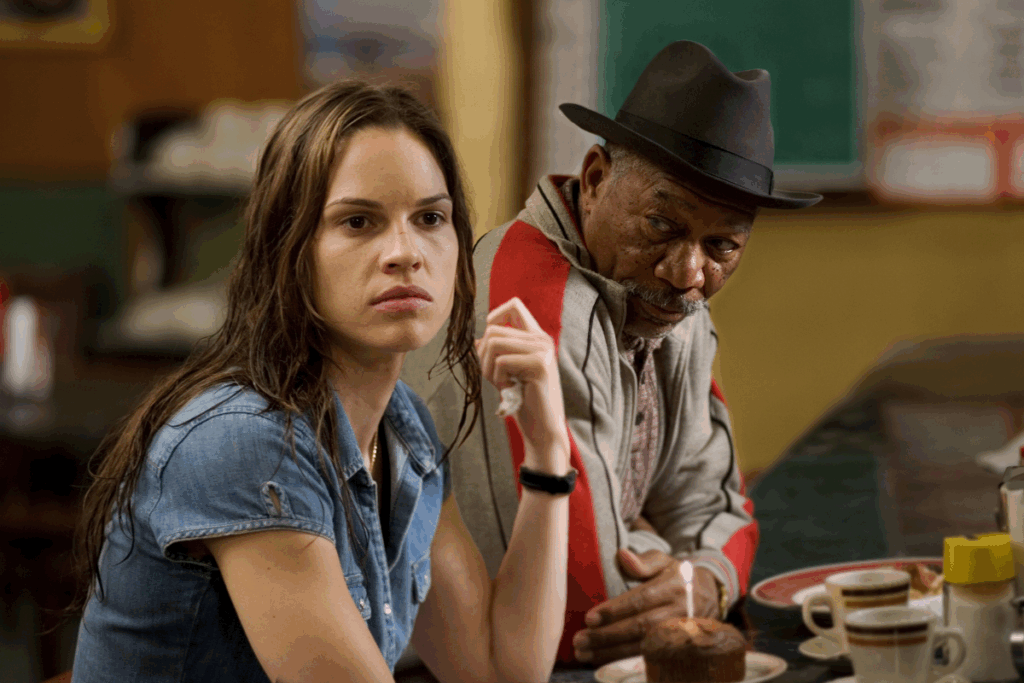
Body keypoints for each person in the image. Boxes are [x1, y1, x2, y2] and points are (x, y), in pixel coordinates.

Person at [69, 81, 574, 683]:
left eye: (430, 218)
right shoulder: (244, 441)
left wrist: (548, 453)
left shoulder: (403, 427)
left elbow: (498, 671)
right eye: (359, 221)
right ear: (289, 250)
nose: (405, 252)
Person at [402, 40, 823, 666]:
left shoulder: (669, 306)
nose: (688, 274)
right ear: (595, 180)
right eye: (662, 225)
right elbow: (578, 610)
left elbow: (716, 507)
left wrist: (698, 579)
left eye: (722, 247)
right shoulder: (529, 301)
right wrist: (676, 566)